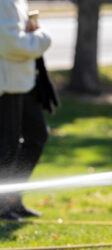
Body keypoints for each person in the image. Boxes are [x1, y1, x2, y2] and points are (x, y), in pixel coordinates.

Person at [0, 0, 52, 220]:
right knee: (7, 146)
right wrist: (42, 38)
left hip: (22, 81)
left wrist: (31, 33)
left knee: (37, 135)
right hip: (6, 83)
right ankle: (2, 205)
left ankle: (11, 198)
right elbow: (9, 44)